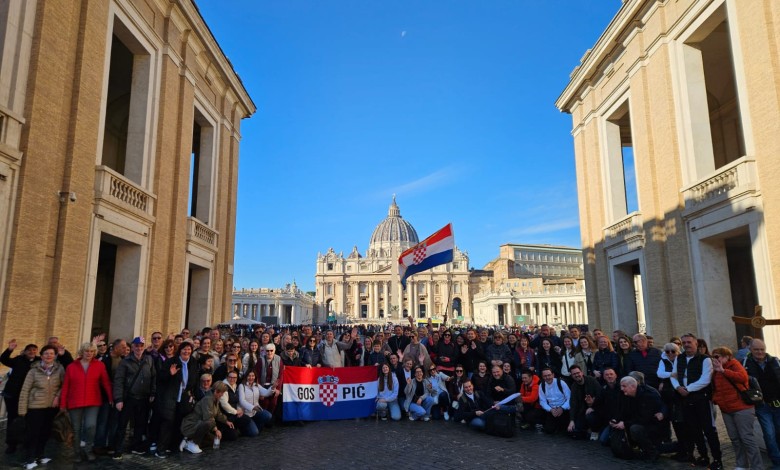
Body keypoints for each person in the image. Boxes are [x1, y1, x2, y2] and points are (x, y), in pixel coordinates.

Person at [671, 333, 722, 469]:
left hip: (701, 398)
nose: (686, 345)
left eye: (689, 342)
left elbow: (705, 379)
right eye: (684, 343)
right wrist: (677, 387)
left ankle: (717, 459)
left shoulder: (705, 359)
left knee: (709, 429)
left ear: (696, 343)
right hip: (685, 398)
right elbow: (673, 375)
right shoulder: (679, 358)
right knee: (694, 429)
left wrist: (688, 388)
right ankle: (703, 456)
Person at [710, 346, 763, 470]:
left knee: (746, 438)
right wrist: (716, 399)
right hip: (726, 410)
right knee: (735, 439)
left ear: (726, 356)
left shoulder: (734, 364)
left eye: (717, 356)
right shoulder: (715, 371)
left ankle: (757, 467)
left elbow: (742, 377)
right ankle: (741, 465)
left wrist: (723, 370)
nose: (715, 359)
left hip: (742, 408)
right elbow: (716, 388)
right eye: (713, 357)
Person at [60, 342, 112, 463]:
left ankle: (88, 449)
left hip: (93, 400)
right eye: (87, 351)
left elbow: (105, 382)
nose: (89, 353)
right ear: (82, 352)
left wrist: (110, 397)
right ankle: (77, 452)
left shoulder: (99, 365)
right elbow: (66, 386)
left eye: (92, 351)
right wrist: (62, 403)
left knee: (91, 426)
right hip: (75, 401)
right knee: (76, 428)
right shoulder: (71, 367)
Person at [18, 344, 64, 469]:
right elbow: (25, 390)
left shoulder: (59, 369)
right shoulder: (33, 371)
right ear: (42, 356)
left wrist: (57, 396)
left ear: (55, 356)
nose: (49, 356)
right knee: (33, 433)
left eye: (51, 353)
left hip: (51, 407)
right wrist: (22, 410)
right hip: (35, 406)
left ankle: (40, 455)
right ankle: (30, 458)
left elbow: (64, 385)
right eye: (46, 353)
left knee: (46, 432)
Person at [112, 336, 156, 459]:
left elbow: (153, 377)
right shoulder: (125, 361)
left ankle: (136, 446)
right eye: (136, 345)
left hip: (144, 398)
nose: (139, 348)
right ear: (132, 347)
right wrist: (119, 399)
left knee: (140, 424)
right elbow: (119, 381)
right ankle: (118, 449)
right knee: (122, 425)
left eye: (141, 345)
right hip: (129, 398)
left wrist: (152, 393)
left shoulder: (149, 359)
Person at [743, 338, 780, 468]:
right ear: (750, 349)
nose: (760, 352)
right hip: (762, 406)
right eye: (756, 349)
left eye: (762, 349)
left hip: (778, 403)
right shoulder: (745, 363)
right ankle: (777, 462)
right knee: (769, 434)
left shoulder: (774, 361)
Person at [156, 341, 198, 455]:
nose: (186, 351)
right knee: (167, 423)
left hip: (184, 397)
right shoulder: (171, 361)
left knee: (179, 422)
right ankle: (161, 449)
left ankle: (173, 446)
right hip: (170, 397)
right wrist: (170, 374)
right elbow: (161, 378)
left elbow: (194, 380)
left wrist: (192, 394)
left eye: (189, 349)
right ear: (180, 350)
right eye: (184, 349)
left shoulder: (193, 362)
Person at [612, 376, 665, 461]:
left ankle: (652, 452)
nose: (621, 389)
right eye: (621, 386)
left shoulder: (647, 396)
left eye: (624, 386)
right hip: (638, 423)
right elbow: (622, 411)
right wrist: (616, 420)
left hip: (653, 426)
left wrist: (625, 423)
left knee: (635, 429)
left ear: (633, 386)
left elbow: (644, 419)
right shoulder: (626, 395)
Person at [1, 339, 39, 454]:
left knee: (28, 419)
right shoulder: (18, 360)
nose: (32, 352)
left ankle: (25, 441)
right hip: (13, 394)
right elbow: (4, 360)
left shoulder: (38, 361)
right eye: (29, 350)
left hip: (29, 396)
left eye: (34, 350)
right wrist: (9, 349)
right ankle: (11, 444)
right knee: (12, 419)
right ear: (25, 351)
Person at [180, 381, 234, 454]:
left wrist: (226, 421)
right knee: (209, 423)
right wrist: (216, 430)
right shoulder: (207, 399)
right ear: (216, 391)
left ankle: (188, 441)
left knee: (213, 440)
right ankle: (193, 443)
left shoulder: (215, 399)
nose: (222, 395)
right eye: (222, 393)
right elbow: (208, 417)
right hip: (191, 425)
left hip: (199, 424)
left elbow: (218, 413)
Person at [567, 364, 601, 439]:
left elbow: (600, 395)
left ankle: (595, 430)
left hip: (596, 409)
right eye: (574, 374)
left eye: (578, 373)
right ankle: (587, 431)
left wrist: (593, 406)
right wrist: (572, 420)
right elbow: (573, 403)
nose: (577, 375)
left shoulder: (591, 380)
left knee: (590, 416)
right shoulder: (574, 386)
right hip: (582, 411)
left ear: (582, 372)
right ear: (572, 376)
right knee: (573, 431)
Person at [219, 371, 253, 437]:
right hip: (226, 415)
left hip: (233, 414)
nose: (232, 379)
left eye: (234, 377)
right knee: (233, 436)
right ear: (227, 377)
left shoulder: (234, 386)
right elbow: (224, 404)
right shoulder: (224, 387)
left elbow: (236, 401)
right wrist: (236, 412)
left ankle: (235, 427)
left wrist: (239, 410)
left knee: (247, 419)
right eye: (230, 377)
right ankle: (225, 430)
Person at [538, 367, 571, 434]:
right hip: (552, 410)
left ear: (553, 375)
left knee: (566, 430)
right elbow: (542, 401)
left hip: (563, 409)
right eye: (545, 376)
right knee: (549, 430)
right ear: (542, 377)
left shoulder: (561, 383)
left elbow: (569, 398)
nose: (547, 377)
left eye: (549, 375)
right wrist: (550, 410)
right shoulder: (542, 385)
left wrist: (562, 408)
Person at [257, 344, 283, 416]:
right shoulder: (260, 360)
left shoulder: (279, 359)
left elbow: (281, 375)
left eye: (271, 351)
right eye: (267, 351)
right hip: (263, 386)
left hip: (274, 386)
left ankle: (270, 420)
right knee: (264, 404)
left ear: (274, 351)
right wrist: (259, 391)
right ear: (265, 351)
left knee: (273, 404)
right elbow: (257, 376)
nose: (269, 352)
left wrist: (278, 389)